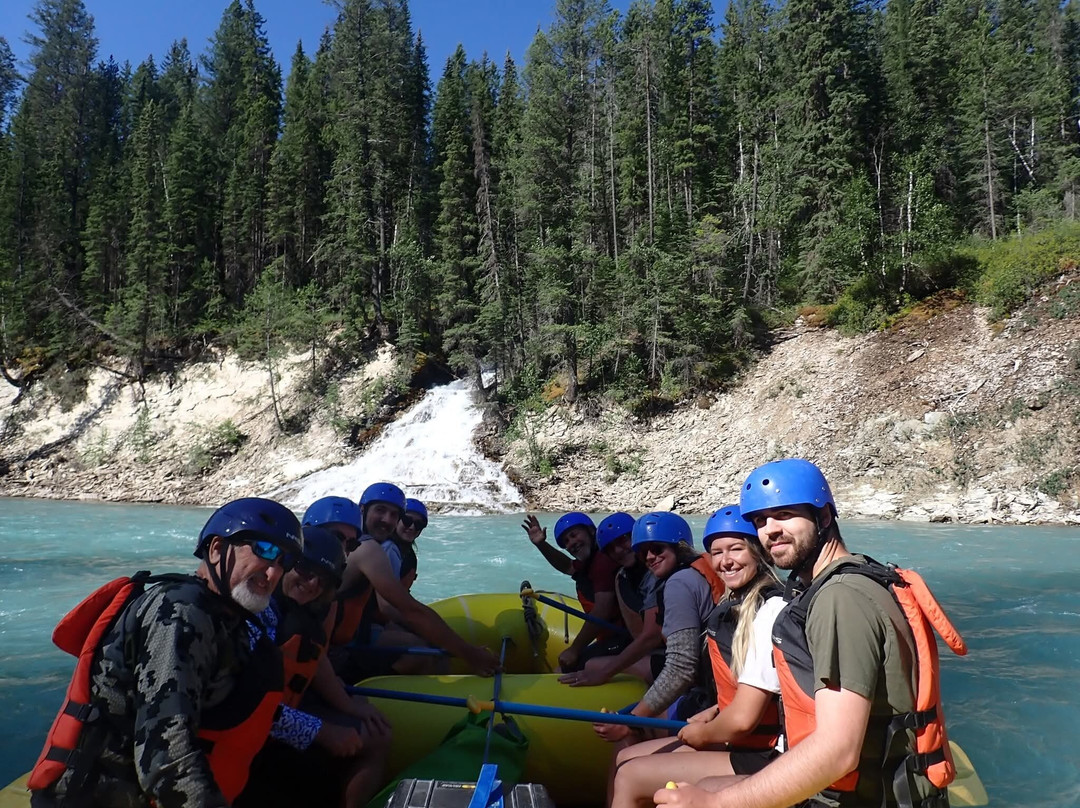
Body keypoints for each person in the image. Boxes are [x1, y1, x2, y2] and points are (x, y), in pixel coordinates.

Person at [654, 459, 965, 808]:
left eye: (784, 514)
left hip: (861, 798)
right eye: (759, 520)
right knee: (706, 785)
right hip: (874, 787)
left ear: (824, 517)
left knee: (696, 795)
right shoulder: (859, 576)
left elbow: (837, 752)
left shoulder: (840, 598)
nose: (770, 529)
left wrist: (716, 803)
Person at [28, 497, 302, 808]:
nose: (273, 572)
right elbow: (166, 752)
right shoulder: (179, 612)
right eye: (265, 551)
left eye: (285, 561)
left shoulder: (228, 620)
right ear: (216, 549)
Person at [608, 504, 785, 808]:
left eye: (736, 549)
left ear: (758, 551)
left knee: (628, 773)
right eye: (717, 553)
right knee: (626, 757)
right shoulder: (737, 602)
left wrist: (703, 733)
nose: (725, 561)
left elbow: (684, 669)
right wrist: (717, 709)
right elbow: (767, 684)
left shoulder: (767, 610)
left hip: (763, 749)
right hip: (741, 732)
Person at [236, 526, 391, 808]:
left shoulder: (297, 611)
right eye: (306, 572)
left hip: (275, 725)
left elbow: (314, 660)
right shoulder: (254, 611)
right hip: (253, 742)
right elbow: (245, 703)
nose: (311, 585)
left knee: (369, 722)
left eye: (321, 581)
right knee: (372, 740)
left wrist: (347, 705)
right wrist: (320, 730)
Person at [321, 482, 499, 679]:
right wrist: (470, 654)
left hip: (346, 636)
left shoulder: (361, 545)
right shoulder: (369, 549)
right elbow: (409, 610)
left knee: (425, 643)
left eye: (394, 514)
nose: (387, 520)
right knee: (424, 654)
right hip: (338, 649)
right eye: (380, 510)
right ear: (362, 510)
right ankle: (375, 692)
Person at [594, 512, 724, 747]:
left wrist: (631, 721)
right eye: (643, 552)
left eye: (657, 549)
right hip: (715, 690)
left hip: (709, 698)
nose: (650, 557)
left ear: (678, 546)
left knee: (627, 744)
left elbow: (681, 667)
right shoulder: (697, 573)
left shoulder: (678, 584)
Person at [559, 512, 662, 687]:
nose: (618, 551)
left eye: (623, 540)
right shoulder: (622, 576)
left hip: (670, 655)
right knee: (588, 664)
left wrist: (602, 671)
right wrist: (541, 544)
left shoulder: (656, 573)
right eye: (611, 548)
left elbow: (650, 637)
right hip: (648, 646)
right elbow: (568, 567)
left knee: (588, 665)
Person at [522, 511, 624, 672]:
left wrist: (574, 649)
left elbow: (602, 611)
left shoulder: (603, 562)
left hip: (624, 638)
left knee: (562, 671)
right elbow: (568, 566)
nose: (571, 543)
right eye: (566, 542)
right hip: (612, 636)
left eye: (574, 535)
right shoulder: (591, 560)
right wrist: (541, 544)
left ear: (591, 531)